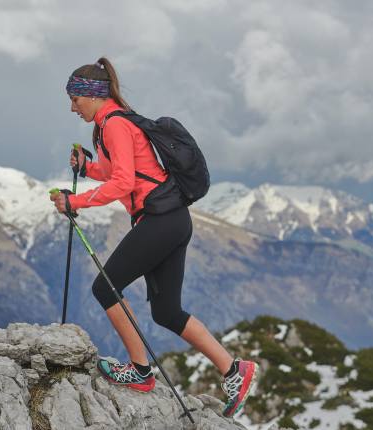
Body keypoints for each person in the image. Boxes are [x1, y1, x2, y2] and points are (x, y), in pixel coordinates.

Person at [49, 57, 259, 418]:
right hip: (173, 220)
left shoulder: (113, 125)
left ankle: (140, 371)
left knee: (105, 287)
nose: (72, 107)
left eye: (75, 99)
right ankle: (234, 369)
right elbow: (120, 172)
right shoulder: (112, 123)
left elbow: (124, 184)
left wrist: (75, 200)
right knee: (166, 312)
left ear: (93, 95)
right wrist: (87, 168)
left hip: (159, 221)